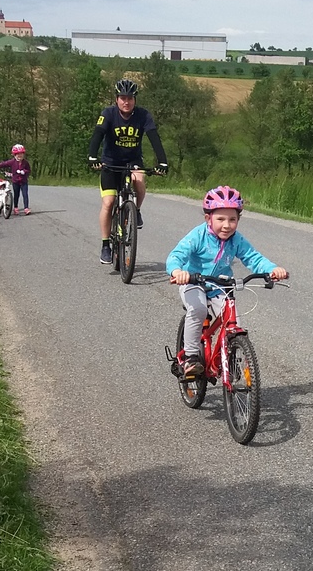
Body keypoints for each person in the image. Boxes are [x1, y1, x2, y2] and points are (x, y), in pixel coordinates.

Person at [166, 185, 288, 378]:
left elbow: (253, 258)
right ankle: (190, 357)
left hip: (220, 286)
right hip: (193, 282)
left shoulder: (236, 240)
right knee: (198, 310)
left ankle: (229, 359)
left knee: (233, 323)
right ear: (208, 218)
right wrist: (177, 271)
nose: (227, 225)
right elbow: (177, 255)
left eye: (232, 219)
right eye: (220, 219)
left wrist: (272, 269)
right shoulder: (198, 236)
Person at [87, 78, 168, 264]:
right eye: (123, 98)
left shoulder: (143, 115)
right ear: (116, 99)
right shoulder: (108, 114)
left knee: (139, 181)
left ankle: (136, 210)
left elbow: (154, 138)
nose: (126, 102)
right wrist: (92, 157)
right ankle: (105, 245)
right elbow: (98, 134)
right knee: (108, 202)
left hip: (133, 161)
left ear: (135, 99)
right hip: (110, 163)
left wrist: (162, 162)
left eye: (130, 98)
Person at [0, 144, 32, 213]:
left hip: (23, 181)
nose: (20, 156)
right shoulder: (12, 162)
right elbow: (4, 164)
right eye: (18, 154)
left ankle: (26, 208)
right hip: (15, 181)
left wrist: (24, 171)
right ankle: (15, 208)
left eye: (21, 154)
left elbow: (28, 170)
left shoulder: (25, 163)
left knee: (25, 194)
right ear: (14, 155)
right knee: (16, 195)